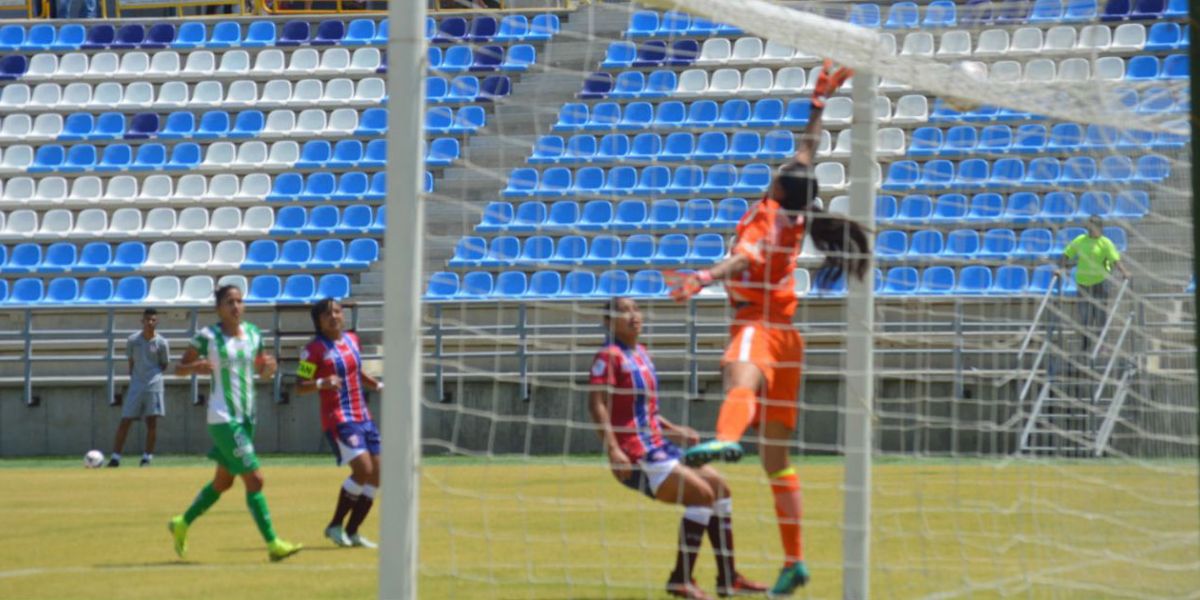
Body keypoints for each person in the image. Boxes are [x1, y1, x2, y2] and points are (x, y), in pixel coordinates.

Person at [665, 60, 869, 597]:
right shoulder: (798, 210)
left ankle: (725, 440)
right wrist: (819, 101)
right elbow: (808, 148)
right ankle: (794, 561)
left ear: (777, 185)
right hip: (790, 338)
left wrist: (703, 277)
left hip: (758, 324)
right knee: (777, 461)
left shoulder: (767, 219)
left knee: (739, 383)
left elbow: (740, 260)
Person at [588, 297, 766, 600]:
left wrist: (674, 431)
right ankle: (680, 579)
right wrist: (613, 450)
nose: (633, 315)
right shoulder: (609, 356)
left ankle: (728, 579)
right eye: (623, 311)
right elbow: (597, 404)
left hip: (659, 444)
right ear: (608, 323)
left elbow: (643, 409)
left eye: (636, 309)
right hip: (635, 453)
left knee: (721, 490)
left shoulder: (641, 354)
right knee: (702, 496)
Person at [168, 285, 302, 562]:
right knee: (255, 479)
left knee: (223, 482)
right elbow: (179, 369)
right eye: (230, 302)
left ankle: (182, 522)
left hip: (246, 418)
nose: (236, 306)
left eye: (240, 301)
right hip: (223, 418)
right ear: (218, 308)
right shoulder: (207, 336)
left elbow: (261, 370)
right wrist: (195, 368)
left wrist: (268, 369)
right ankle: (273, 544)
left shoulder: (254, 334)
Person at [294, 298, 384, 549]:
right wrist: (322, 383)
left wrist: (377, 385)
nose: (333, 316)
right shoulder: (312, 350)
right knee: (363, 470)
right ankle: (334, 525)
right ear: (318, 321)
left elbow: (356, 373)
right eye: (326, 314)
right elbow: (299, 386)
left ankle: (353, 531)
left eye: (336, 311)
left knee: (377, 475)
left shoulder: (353, 340)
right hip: (339, 418)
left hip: (363, 416)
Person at [108, 308, 170, 468]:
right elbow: (131, 361)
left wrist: (153, 375)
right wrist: (136, 377)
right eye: (147, 319)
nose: (150, 322)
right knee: (126, 420)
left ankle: (147, 458)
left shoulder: (162, 342)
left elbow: (164, 364)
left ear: (156, 322)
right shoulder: (133, 340)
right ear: (142, 321)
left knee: (152, 421)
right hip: (136, 384)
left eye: (153, 320)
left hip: (154, 385)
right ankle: (115, 457)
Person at [1062, 215, 1131, 350]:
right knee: (1085, 317)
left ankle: (1101, 346)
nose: (1092, 230)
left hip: (1100, 283)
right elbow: (1066, 254)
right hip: (1083, 284)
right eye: (1090, 227)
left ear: (1100, 228)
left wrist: (1124, 272)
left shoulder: (1105, 243)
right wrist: (1060, 268)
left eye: (1095, 227)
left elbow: (1115, 260)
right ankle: (1086, 346)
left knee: (1099, 316)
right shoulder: (1080, 240)